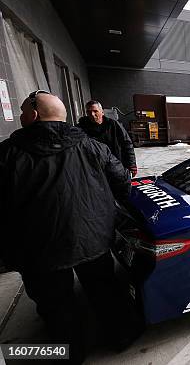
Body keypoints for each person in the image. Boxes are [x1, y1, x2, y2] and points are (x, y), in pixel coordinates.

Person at [0, 91, 142, 363]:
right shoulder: (91, 146)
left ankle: (70, 354)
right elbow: (122, 181)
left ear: (34, 114)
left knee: (57, 306)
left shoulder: (8, 154)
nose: (19, 116)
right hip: (93, 239)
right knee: (105, 291)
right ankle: (122, 337)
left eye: (22, 111)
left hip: (40, 250)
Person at [78, 100, 138, 177]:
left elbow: (127, 144)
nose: (92, 114)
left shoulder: (113, 125)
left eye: (95, 111)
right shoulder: (81, 128)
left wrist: (132, 165)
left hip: (115, 164)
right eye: (89, 112)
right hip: (93, 168)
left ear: (102, 112)